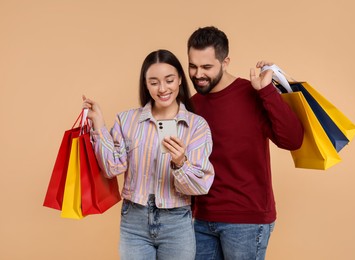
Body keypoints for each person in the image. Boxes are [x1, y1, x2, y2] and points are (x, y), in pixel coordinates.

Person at [82, 49, 215, 260]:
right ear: (145, 84)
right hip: (134, 220)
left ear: (180, 79)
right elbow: (111, 169)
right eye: (154, 82)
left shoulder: (196, 126)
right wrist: (99, 126)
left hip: (176, 222)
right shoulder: (127, 120)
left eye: (169, 80)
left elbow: (200, 186)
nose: (162, 88)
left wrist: (180, 162)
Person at [187, 26, 304, 260]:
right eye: (193, 66)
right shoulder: (193, 105)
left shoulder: (253, 93)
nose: (198, 74)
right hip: (201, 219)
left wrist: (268, 92)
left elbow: (293, 139)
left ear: (225, 61)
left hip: (246, 221)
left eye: (207, 67)